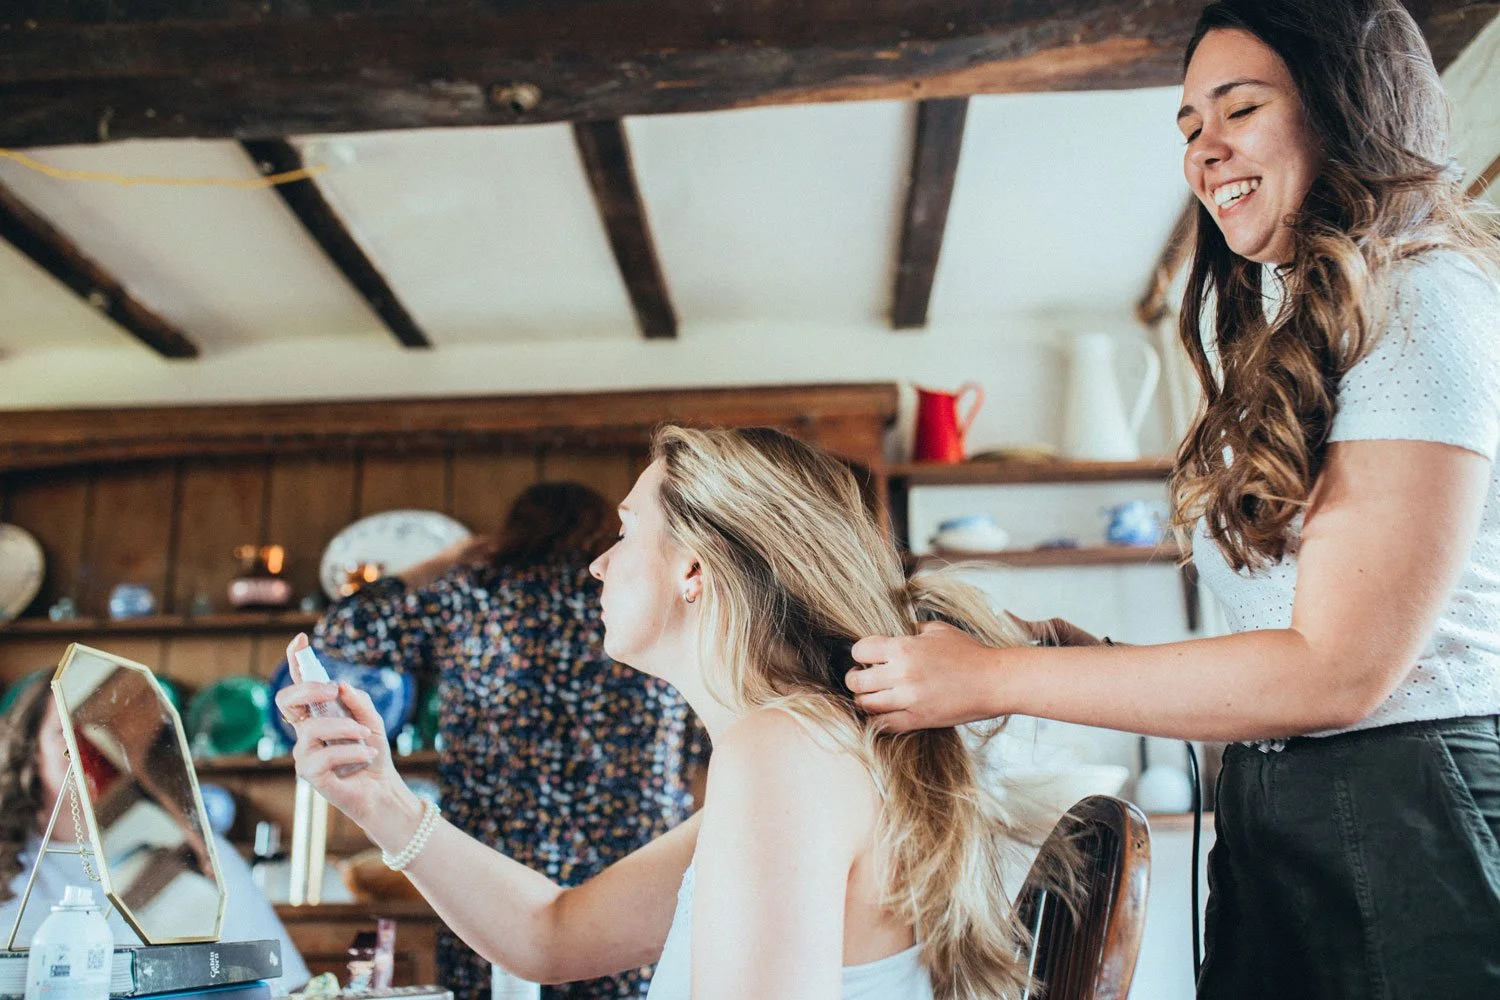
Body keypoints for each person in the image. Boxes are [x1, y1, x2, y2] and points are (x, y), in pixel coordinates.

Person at [847, 1, 1500, 996]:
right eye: (1191, 124)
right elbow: (1290, 655)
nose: (1204, 150)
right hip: (1282, 808)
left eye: (1240, 109)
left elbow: (1336, 673)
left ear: (1346, 110)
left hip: (1411, 814)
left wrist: (997, 679)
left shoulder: (1418, 301)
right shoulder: (1309, 316)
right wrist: (1089, 661)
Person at [279, 426, 1073, 1000]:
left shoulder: (782, 753)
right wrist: (380, 798)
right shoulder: (805, 748)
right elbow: (550, 935)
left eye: (625, 532)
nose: (598, 563)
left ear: (694, 568)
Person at [314, 481, 707, 999]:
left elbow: (342, 630)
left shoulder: (470, 595)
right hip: (636, 874)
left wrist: (444, 560)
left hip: (489, 874)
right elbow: (702, 738)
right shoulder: (640, 605)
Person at [0, 678, 310, 993]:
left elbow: (286, 984)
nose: (87, 750)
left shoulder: (202, 853)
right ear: (32, 750)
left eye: (96, 732)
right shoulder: (9, 858)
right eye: (67, 733)